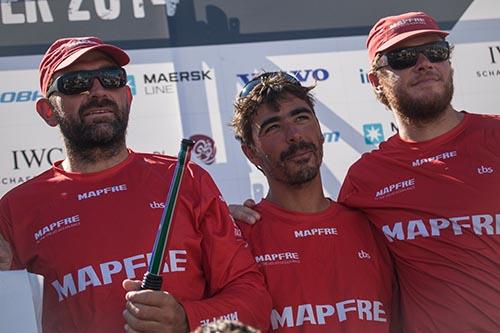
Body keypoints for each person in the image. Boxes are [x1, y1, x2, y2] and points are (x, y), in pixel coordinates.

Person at [232, 12, 500, 332]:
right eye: (403, 57)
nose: (424, 63)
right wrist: (223, 222)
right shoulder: (366, 180)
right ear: (376, 81)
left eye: (436, 51)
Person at [0, 36, 271, 333]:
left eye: (111, 78)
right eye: (75, 82)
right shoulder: (15, 210)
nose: (97, 91)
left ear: (127, 96)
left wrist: (186, 319)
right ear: (47, 111)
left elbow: (254, 302)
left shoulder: (185, 179)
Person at [230, 72, 397, 332]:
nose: (294, 134)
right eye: (273, 127)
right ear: (251, 153)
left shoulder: (372, 226)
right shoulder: (237, 236)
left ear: (320, 132)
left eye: (301, 118)